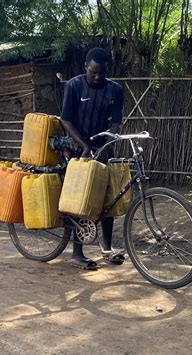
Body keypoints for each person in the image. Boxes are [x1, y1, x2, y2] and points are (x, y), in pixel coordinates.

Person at [60, 47, 124, 270]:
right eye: (93, 72)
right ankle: (77, 253)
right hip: (79, 148)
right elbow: (66, 119)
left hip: (104, 148)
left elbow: (116, 122)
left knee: (108, 200)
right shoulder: (74, 85)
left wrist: (108, 145)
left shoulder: (115, 90)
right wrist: (83, 145)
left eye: (101, 73)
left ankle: (106, 249)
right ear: (86, 67)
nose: (97, 77)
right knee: (81, 200)